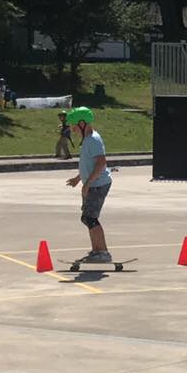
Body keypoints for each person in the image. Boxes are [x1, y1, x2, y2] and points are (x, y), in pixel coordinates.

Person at [63, 107, 113, 265]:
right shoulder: (87, 139)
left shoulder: (92, 140)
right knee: (88, 218)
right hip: (92, 183)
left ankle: (103, 252)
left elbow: (101, 163)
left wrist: (88, 183)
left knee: (90, 218)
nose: (72, 129)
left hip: (98, 184)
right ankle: (96, 251)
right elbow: (89, 164)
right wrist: (79, 178)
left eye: (74, 126)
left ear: (83, 123)